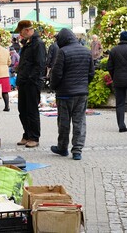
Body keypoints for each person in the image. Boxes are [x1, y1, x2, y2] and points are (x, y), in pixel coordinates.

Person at [50, 28, 94, 160]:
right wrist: (83, 85)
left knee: (64, 122)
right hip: (81, 93)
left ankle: (63, 148)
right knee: (79, 121)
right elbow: (91, 73)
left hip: (65, 93)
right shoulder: (86, 51)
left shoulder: (62, 52)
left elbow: (57, 73)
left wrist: (54, 86)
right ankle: (77, 150)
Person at [14, 20, 47, 148]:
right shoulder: (28, 43)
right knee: (22, 109)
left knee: (32, 110)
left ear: (27, 30)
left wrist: (30, 78)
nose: (20, 35)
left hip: (32, 82)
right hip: (24, 82)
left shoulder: (38, 44)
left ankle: (34, 137)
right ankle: (27, 134)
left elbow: (39, 65)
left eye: (21, 32)